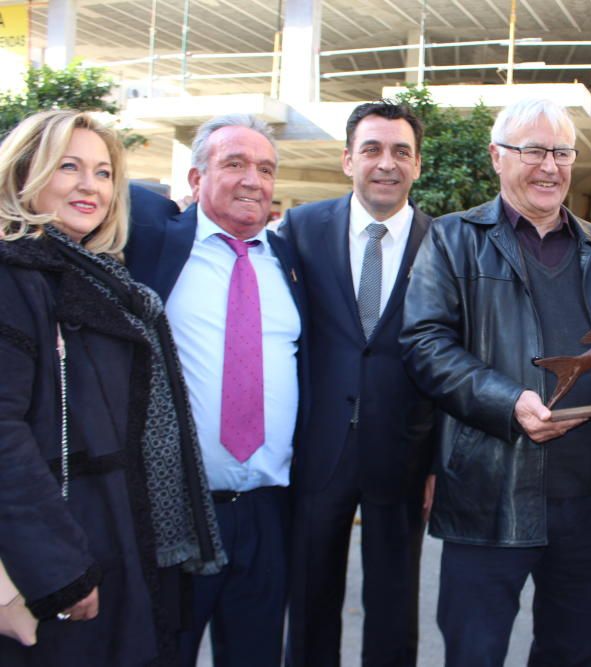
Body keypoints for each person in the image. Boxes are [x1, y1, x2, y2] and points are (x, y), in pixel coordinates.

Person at [400, 97, 591, 667]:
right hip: (488, 496)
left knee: (570, 655)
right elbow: (424, 345)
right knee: (475, 652)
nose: (550, 166)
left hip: (587, 501)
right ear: (497, 157)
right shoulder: (451, 240)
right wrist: (507, 400)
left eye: (562, 152)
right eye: (534, 151)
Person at [0, 110, 224, 665]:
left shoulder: (101, 274)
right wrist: (59, 568)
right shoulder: (14, 276)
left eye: (103, 173)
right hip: (72, 552)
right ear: (25, 172)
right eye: (68, 167)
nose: (89, 186)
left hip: (127, 537)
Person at [126, 114, 306, 667]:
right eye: (234, 164)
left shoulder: (292, 262)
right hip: (175, 511)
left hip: (268, 513)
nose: (253, 179)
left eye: (266, 168)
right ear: (196, 179)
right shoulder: (155, 244)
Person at [279, 101, 434, 666]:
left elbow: (452, 353)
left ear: (418, 165)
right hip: (318, 448)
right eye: (371, 149)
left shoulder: (441, 243)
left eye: (400, 152)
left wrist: (439, 460)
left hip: (404, 451)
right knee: (310, 595)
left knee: (394, 606)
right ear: (348, 159)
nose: (385, 164)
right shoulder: (300, 228)